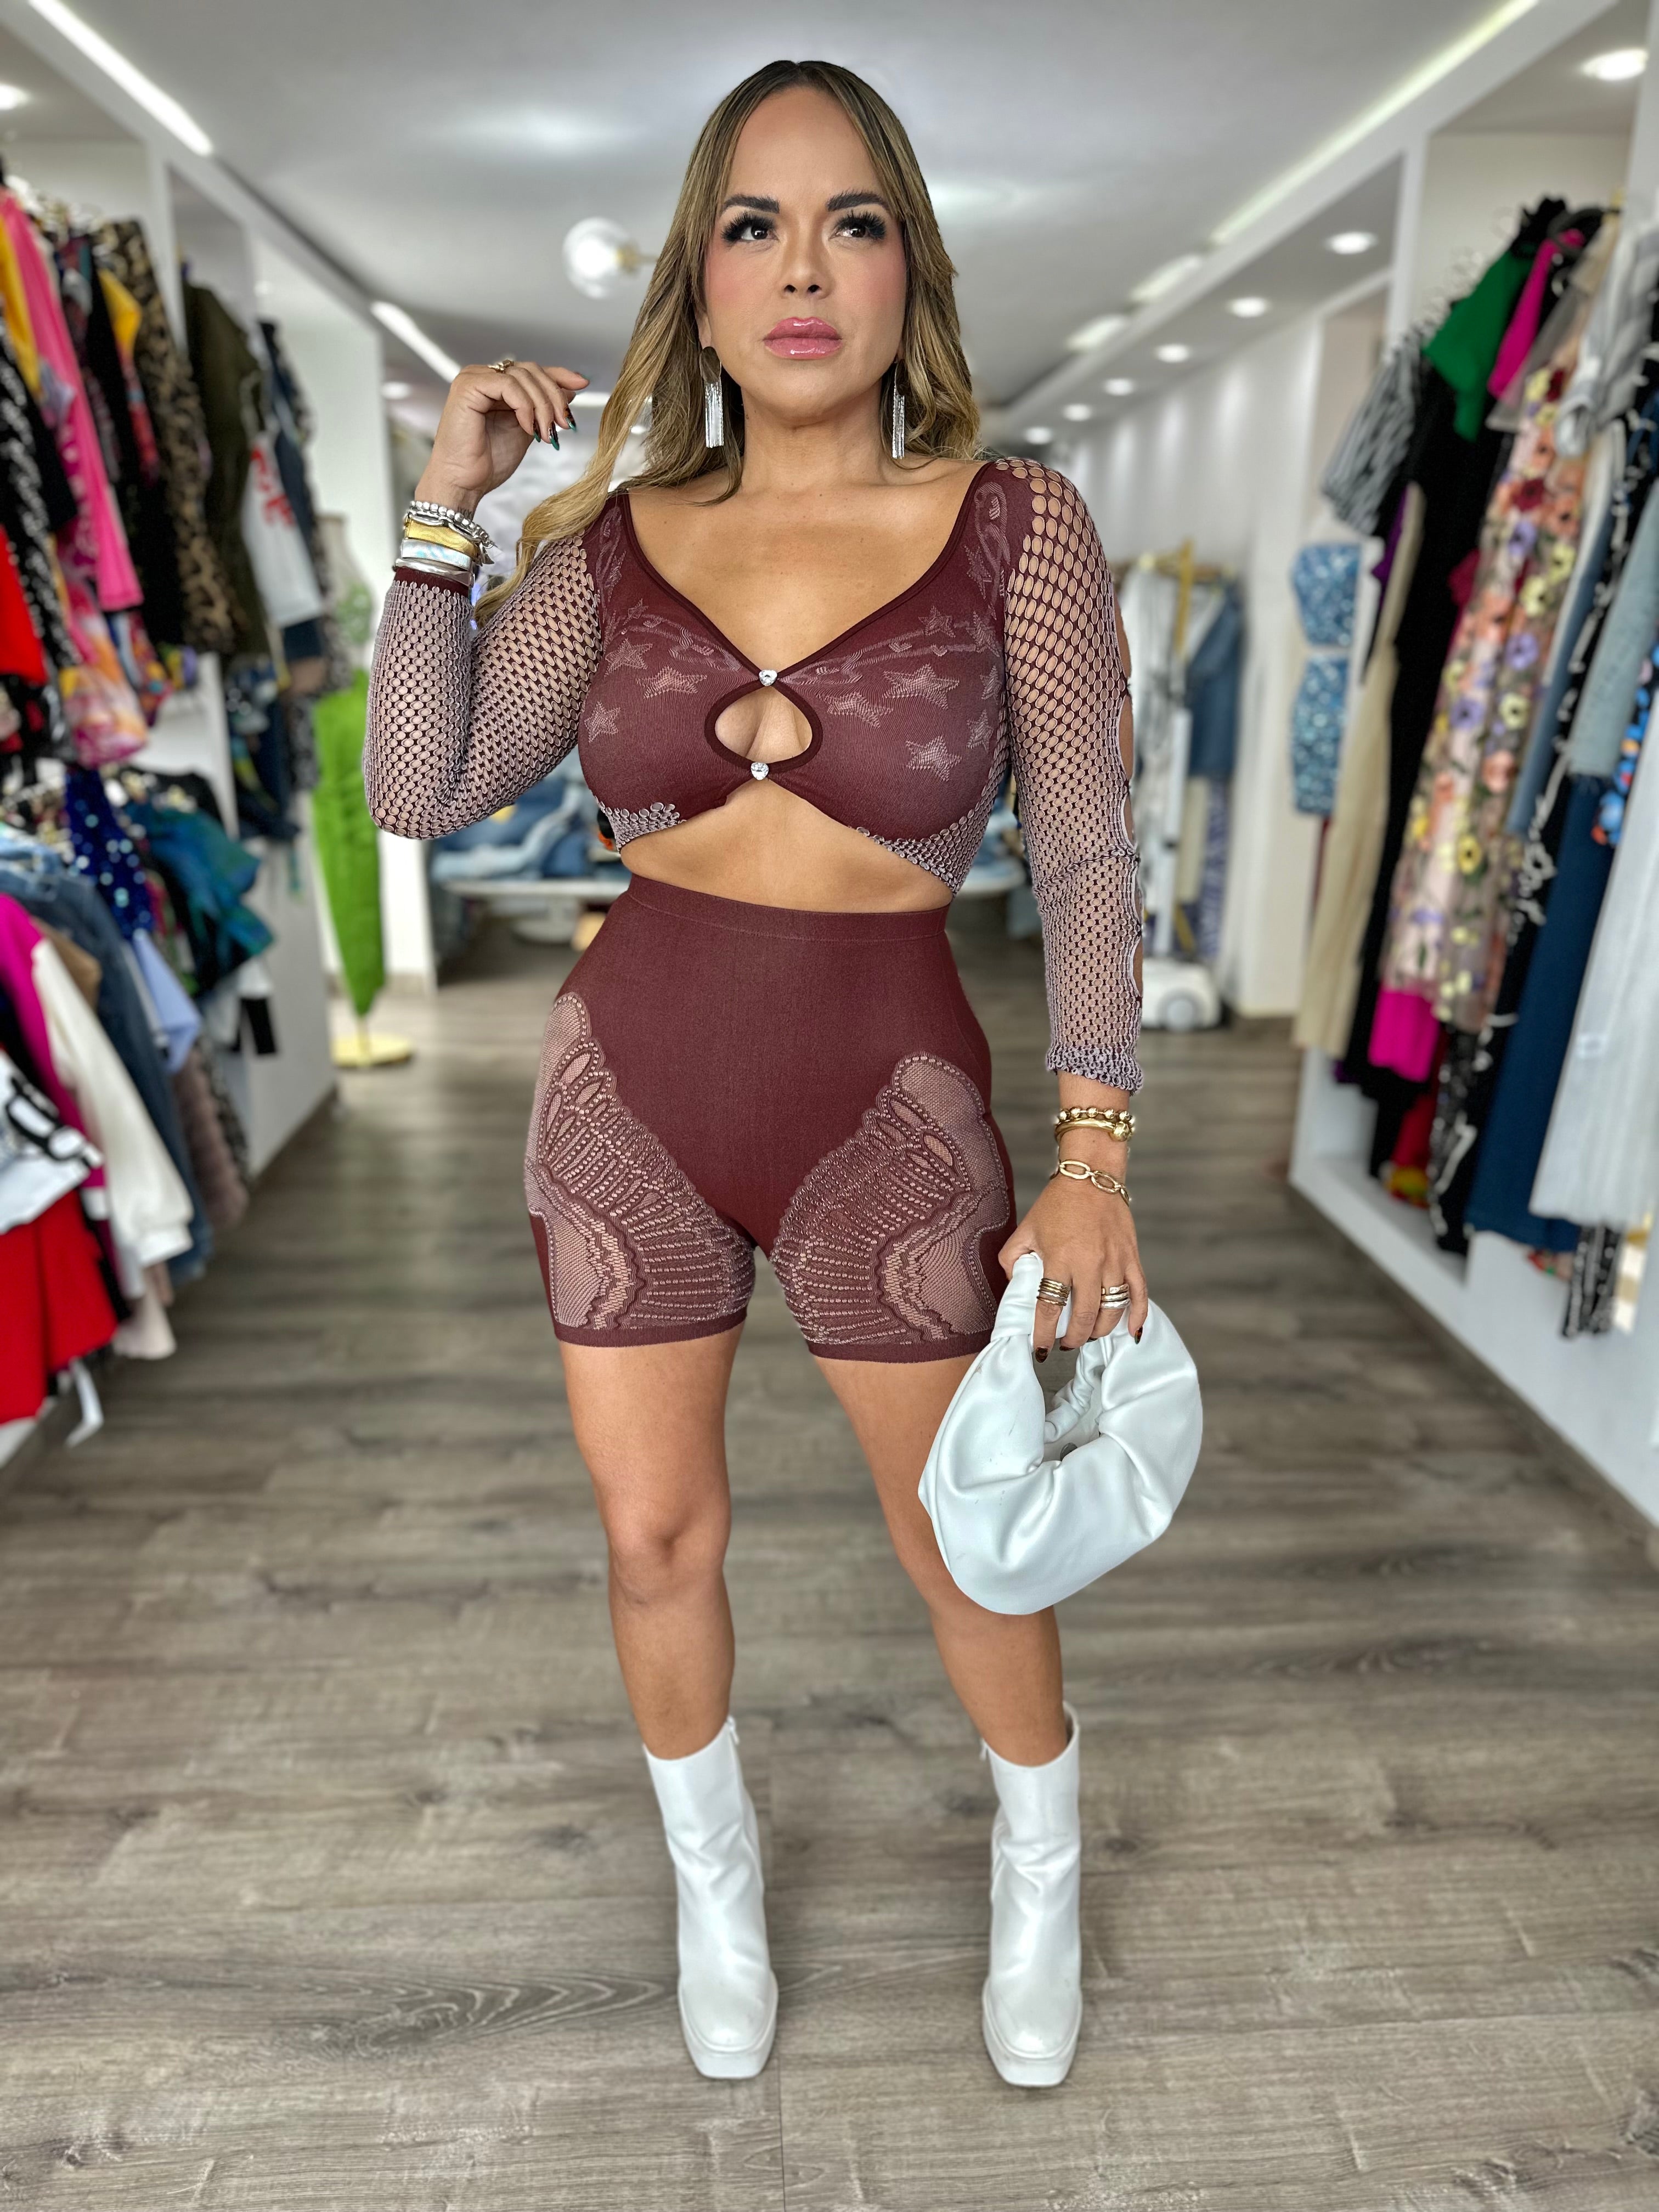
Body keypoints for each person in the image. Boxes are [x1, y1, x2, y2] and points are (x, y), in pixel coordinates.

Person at [364, 57, 1145, 2090]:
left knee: (966, 1536)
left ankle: (1041, 1867)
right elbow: (419, 787)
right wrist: (446, 513)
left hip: (892, 1103)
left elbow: (1085, 853)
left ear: (910, 276)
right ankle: (713, 1893)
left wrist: (1096, 1152)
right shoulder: (611, 545)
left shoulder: (1017, 528)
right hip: (624, 1091)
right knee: (653, 1540)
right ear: (699, 292)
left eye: (852, 224)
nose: (804, 270)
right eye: (754, 227)